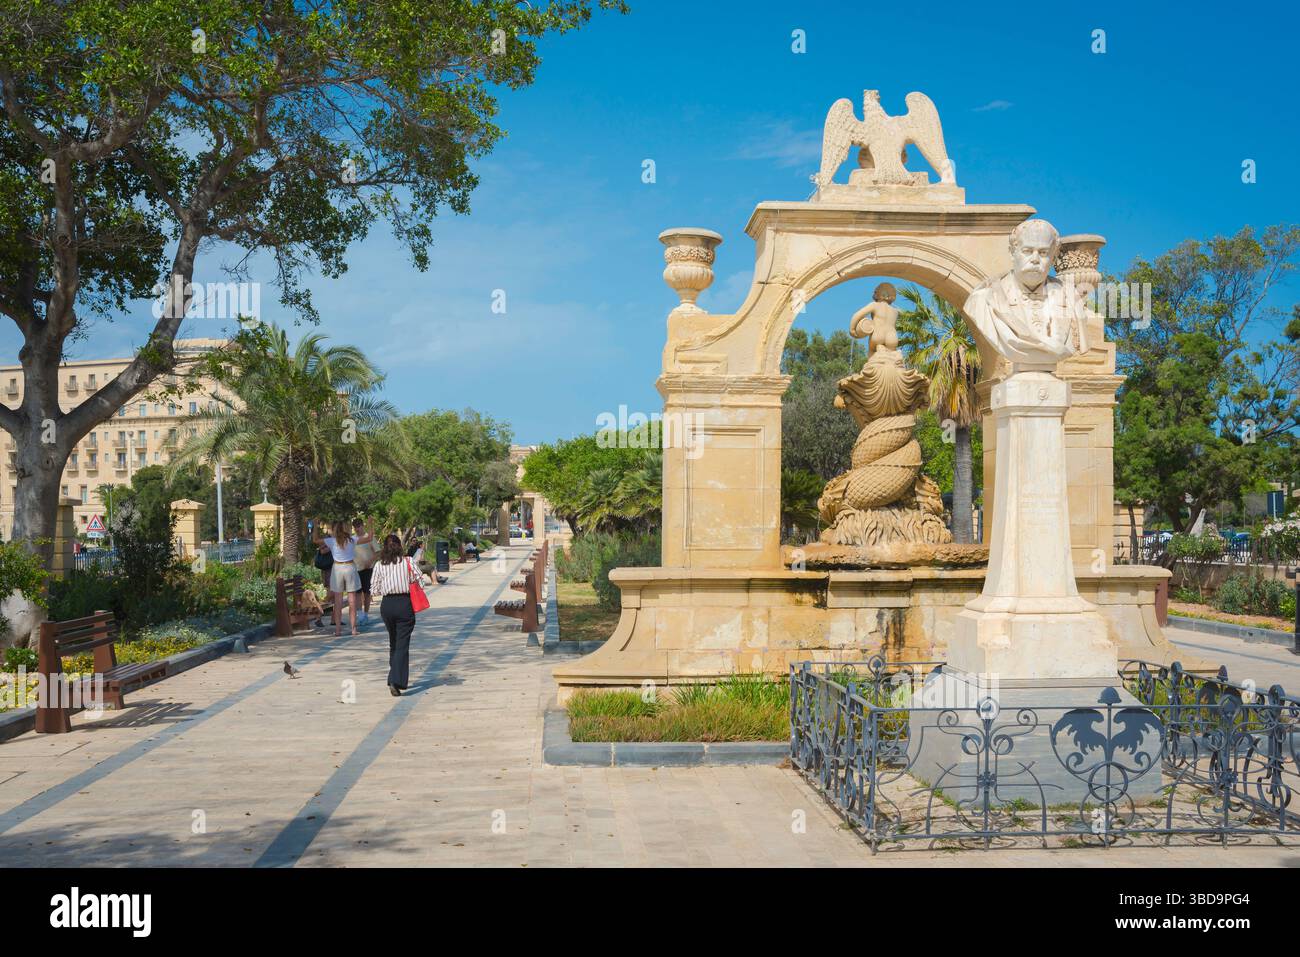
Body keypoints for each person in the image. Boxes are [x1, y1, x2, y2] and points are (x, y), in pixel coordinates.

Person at [369, 533, 422, 696]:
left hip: (387, 605)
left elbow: (374, 589)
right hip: (404, 604)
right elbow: (420, 580)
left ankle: (394, 677)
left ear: (384, 547)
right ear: (400, 546)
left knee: (394, 642)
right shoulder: (408, 561)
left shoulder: (379, 565)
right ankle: (395, 680)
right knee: (402, 644)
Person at [313, 519, 362, 637]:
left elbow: (315, 540)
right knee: (352, 600)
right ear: (347, 529)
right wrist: (371, 523)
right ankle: (353, 629)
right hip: (350, 567)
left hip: (337, 569)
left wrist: (315, 525)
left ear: (335, 530)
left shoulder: (331, 541)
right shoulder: (352, 540)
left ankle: (338, 630)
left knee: (338, 601)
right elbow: (369, 537)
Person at [352, 516, 376, 624]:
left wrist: (370, 561)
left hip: (368, 569)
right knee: (357, 593)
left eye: (359, 526)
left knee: (367, 593)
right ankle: (360, 615)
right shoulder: (352, 540)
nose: (357, 529)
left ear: (362, 526)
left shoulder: (369, 537)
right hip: (356, 569)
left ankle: (366, 614)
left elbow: (378, 552)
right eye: (355, 527)